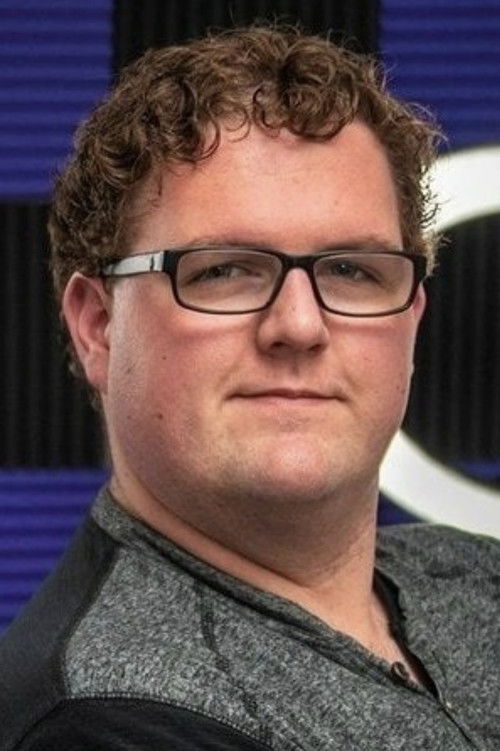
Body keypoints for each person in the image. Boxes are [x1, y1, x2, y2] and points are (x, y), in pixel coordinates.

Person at [1, 24, 498, 751]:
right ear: (98, 325)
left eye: (352, 271)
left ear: (411, 318)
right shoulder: (104, 719)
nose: (299, 325)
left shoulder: (472, 577)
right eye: (224, 271)